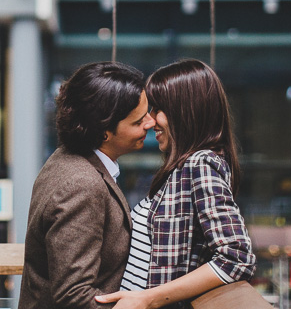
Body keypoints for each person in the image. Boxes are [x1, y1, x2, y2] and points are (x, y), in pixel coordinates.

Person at [95, 59, 256, 309]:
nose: (150, 121)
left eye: (157, 109)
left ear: (184, 111)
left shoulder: (200, 164)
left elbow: (236, 257)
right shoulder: (184, 168)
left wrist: (148, 299)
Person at [19, 61, 155, 309]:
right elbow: (74, 293)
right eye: (137, 122)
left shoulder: (66, 158)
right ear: (104, 131)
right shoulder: (82, 184)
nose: (150, 123)